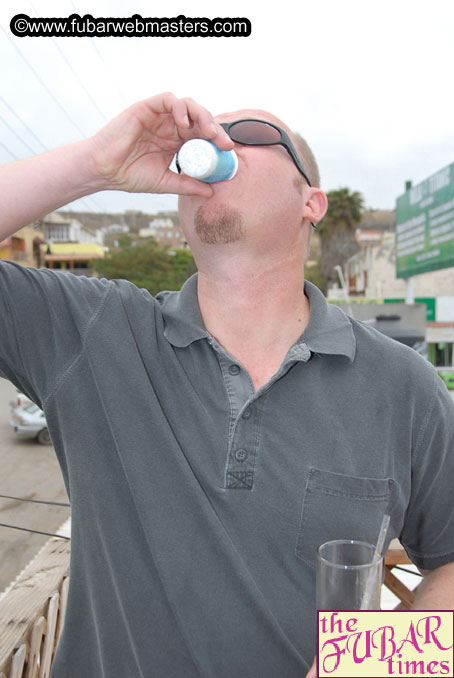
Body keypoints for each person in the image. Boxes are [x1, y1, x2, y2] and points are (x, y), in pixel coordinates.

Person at [0, 92, 453, 678]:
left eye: (250, 133)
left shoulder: (401, 384)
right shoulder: (95, 331)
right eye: (212, 133)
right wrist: (93, 164)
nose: (218, 140)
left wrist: (370, 665)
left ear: (310, 203)